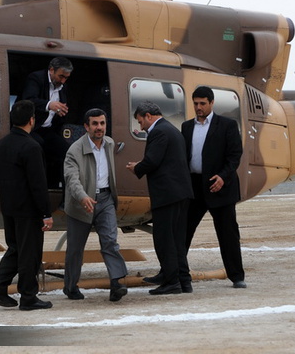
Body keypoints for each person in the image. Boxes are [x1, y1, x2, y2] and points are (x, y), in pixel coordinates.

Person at [0, 100, 54, 311]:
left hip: (8, 207)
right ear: (31, 120)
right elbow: (38, 184)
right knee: (30, 254)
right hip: (28, 210)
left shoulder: (1, 145)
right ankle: (28, 296)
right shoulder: (31, 146)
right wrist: (46, 212)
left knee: (16, 249)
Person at [181, 86, 246, 288]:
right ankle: (174, 272)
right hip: (194, 187)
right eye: (195, 103)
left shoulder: (227, 125)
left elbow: (234, 155)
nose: (198, 107)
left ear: (211, 103)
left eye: (202, 103)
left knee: (228, 234)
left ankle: (237, 276)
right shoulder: (186, 127)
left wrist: (223, 177)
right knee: (182, 232)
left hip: (220, 186)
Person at [126, 101, 193, 295]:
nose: (141, 127)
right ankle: (183, 280)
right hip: (180, 193)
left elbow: (152, 161)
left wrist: (137, 168)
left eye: (140, 122)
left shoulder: (159, 132)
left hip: (167, 195)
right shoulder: (171, 129)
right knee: (177, 240)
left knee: (165, 240)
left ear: (148, 116)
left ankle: (172, 282)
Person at [63, 108, 128, 301]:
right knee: (75, 249)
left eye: (102, 123)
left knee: (110, 241)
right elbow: (71, 179)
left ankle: (117, 282)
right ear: (86, 126)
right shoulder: (74, 150)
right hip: (81, 203)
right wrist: (83, 197)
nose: (99, 127)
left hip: (105, 199)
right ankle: (70, 287)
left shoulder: (109, 143)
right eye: (95, 124)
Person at [22, 57, 73, 188]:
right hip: (30, 128)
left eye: (66, 78)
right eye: (61, 76)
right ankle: (38, 187)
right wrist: (49, 105)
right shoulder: (36, 78)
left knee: (67, 152)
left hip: (49, 130)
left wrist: (61, 112)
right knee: (37, 147)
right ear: (51, 70)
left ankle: (65, 193)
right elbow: (28, 100)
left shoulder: (63, 87)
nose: (63, 81)